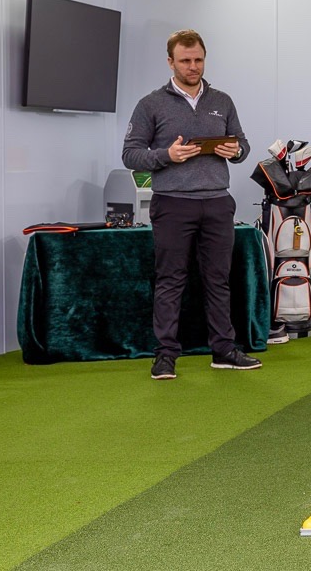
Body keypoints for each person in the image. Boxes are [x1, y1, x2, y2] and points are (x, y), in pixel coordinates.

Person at [122, 30, 260, 380]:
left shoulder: (222, 101)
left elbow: (243, 144)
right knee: (170, 280)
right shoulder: (151, 104)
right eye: (185, 60)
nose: (193, 66)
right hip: (172, 204)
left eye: (198, 59)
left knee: (218, 280)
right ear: (171, 62)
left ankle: (224, 350)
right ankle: (166, 355)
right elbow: (130, 154)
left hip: (217, 203)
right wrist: (166, 155)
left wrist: (236, 151)